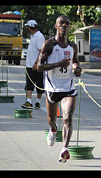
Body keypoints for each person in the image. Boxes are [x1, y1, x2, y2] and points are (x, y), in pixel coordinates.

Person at [36, 15, 82, 163]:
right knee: (51, 119)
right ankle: (53, 129)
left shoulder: (73, 46)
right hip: (52, 87)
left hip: (68, 87)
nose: (64, 25)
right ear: (56, 26)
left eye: (67, 23)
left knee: (67, 117)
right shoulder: (49, 45)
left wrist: (77, 69)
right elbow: (38, 67)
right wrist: (58, 64)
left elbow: (75, 62)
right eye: (61, 23)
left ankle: (64, 149)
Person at [21, 20, 45, 110]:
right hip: (30, 65)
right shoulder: (33, 36)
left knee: (39, 84)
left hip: (36, 66)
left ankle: (38, 102)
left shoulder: (39, 36)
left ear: (30, 28)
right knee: (29, 84)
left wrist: (36, 63)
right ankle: (29, 101)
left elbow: (41, 51)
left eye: (28, 27)